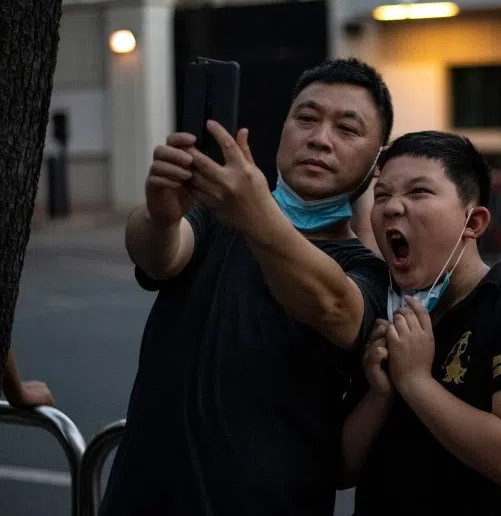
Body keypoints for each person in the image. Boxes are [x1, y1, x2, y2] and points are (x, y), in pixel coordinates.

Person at [100, 58, 393, 516]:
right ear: (283, 128)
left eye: (347, 129)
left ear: (378, 162)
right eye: (307, 118)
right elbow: (159, 255)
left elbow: (333, 306)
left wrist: (257, 212)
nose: (320, 139)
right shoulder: (220, 218)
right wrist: (161, 213)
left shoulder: (370, 273)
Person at [342, 131, 501, 516]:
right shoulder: (378, 308)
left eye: (418, 192)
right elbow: (341, 470)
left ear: (474, 222)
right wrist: (380, 394)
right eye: (382, 195)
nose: (392, 207)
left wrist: (415, 381)